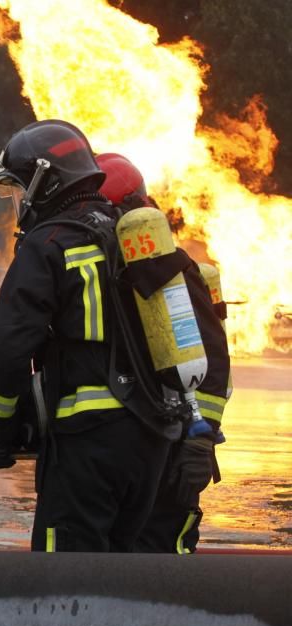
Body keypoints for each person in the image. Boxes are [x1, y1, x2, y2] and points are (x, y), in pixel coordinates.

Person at [0, 119, 203, 552]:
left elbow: (9, 353)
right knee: (120, 579)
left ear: (45, 180)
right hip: (152, 442)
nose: (18, 203)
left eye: (19, 190)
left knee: (65, 585)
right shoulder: (132, 236)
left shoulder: (48, 245)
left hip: (88, 445)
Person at [95, 152, 232, 554]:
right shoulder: (106, 265)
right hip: (138, 441)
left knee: (163, 550)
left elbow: (214, 358)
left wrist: (200, 439)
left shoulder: (169, 268)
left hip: (177, 439)